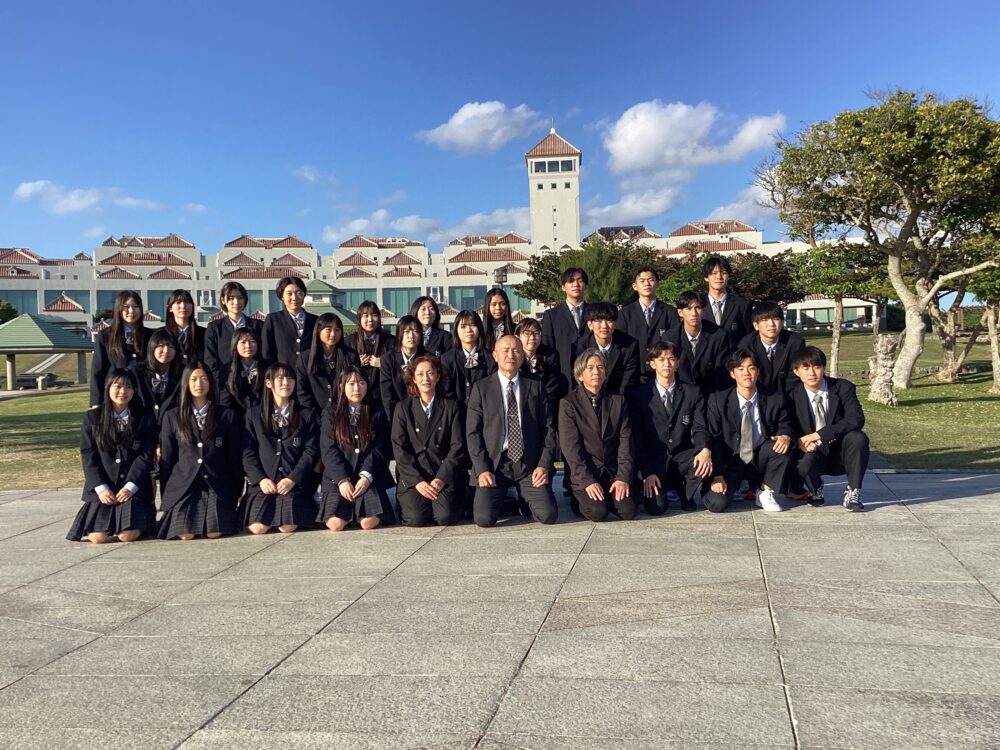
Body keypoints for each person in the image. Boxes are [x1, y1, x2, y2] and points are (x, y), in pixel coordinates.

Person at [466, 335, 558, 527]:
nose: (511, 355)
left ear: (523, 356)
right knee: (484, 519)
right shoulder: (481, 388)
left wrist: (543, 465)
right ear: (495, 355)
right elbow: (473, 434)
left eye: (516, 351)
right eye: (505, 351)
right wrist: (482, 469)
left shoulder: (535, 385)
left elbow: (549, 429)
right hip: (495, 464)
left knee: (548, 515)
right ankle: (508, 501)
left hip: (528, 463)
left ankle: (525, 500)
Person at [68, 368, 157, 543]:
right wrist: (101, 488)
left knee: (126, 536)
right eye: (118, 386)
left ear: (135, 391)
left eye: (128, 387)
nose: (123, 391)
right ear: (108, 388)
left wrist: (130, 487)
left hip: (132, 487)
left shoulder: (144, 417)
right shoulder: (93, 417)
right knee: (97, 538)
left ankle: (140, 523)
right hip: (105, 487)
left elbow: (145, 455)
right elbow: (88, 454)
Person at [157, 362, 243, 539]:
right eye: (194, 379)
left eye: (204, 379)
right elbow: (167, 459)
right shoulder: (172, 416)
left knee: (214, 532)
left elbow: (234, 458)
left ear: (211, 382)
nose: (199, 384)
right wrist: (168, 495)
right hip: (185, 486)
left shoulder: (227, 415)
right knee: (185, 535)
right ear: (186, 383)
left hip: (217, 486)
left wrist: (236, 490)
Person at [628, 341, 713, 515]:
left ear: (677, 363)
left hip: (682, 458)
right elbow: (638, 440)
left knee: (702, 458)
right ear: (652, 364)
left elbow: (699, 427)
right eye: (661, 359)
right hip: (654, 461)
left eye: (671, 359)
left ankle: (685, 494)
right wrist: (647, 472)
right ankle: (660, 490)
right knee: (656, 508)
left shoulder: (692, 392)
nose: (666, 363)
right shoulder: (639, 396)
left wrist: (704, 449)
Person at [703, 349, 794, 513]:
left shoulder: (774, 398)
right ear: (732, 373)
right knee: (717, 504)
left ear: (758, 371)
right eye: (740, 368)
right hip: (729, 462)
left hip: (758, 458)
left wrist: (785, 435)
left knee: (781, 446)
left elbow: (785, 424)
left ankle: (765, 491)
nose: (746, 373)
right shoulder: (718, 400)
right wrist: (717, 475)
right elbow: (713, 438)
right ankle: (730, 489)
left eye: (751, 368)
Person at [788, 346, 869, 511]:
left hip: (840, 449)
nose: (812, 373)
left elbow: (856, 419)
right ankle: (814, 489)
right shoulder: (790, 395)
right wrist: (800, 442)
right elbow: (786, 425)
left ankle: (853, 491)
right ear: (796, 371)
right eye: (806, 368)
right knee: (803, 462)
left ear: (823, 368)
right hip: (811, 452)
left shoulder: (843, 387)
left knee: (858, 437)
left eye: (817, 367)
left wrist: (819, 435)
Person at [241, 363, 319, 534]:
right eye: (280, 378)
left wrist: (293, 479)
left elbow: (311, 451)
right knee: (258, 528)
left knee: (287, 527)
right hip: (264, 483)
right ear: (268, 383)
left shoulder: (306, 414)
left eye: (290, 378)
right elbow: (248, 451)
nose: (286, 383)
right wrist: (260, 479)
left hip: (293, 483)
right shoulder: (254, 414)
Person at [558, 349, 635, 522]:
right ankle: (577, 499)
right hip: (585, 474)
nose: (596, 372)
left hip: (612, 473)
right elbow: (571, 449)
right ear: (580, 375)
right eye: (590, 368)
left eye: (600, 367)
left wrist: (622, 477)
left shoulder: (618, 400)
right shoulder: (568, 403)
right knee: (598, 513)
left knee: (628, 511)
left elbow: (625, 441)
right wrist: (587, 481)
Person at [391, 354, 465, 527]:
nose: (426, 378)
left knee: (445, 517)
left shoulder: (451, 407)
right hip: (415, 475)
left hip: (442, 472)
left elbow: (458, 446)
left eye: (431, 373)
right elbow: (400, 449)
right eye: (420, 374)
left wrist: (441, 478)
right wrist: (418, 481)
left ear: (438, 376)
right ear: (413, 379)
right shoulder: (403, 408)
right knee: (416, 519)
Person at [318, 366, 396, 531]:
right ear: (341, 387)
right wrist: (342, 480)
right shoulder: (331, 413)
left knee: (368, 523)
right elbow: (328, 449)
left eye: (361, 383)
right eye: (351, 383)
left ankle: (357, 512)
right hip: (338, 478)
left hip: (368, 476)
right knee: (335, 524)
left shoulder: (377, 411)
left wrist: (366, 476)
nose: (356, 388)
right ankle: (350, 512)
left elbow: (380, 448)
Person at [617, 265, 679, 381]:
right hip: (634, 374)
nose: (647, 284)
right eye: (642, 281)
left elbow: (674, 344)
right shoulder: (624, 314)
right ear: (635, 286)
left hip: (662, 374)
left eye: (651, 280)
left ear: (657, 283)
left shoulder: (670, 312)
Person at [664, 291, 728, 397]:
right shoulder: (670, 337)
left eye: (698, 308)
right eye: (688, 308)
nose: (694, 313)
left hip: (711, 393)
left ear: (704, 311)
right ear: (680, 312)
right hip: (681, 393)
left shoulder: (718, 335)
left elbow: (721, 372)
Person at [736, 300, 806, 394]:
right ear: (756, 325)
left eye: (776, 319)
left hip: (788, 395)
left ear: (782, 322)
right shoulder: (747, 344)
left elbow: (794, 377)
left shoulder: (795, 342)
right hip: (759, 395)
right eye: (764, 320)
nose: (771, 324)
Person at [90, 290, 146, 407]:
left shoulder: (150, 336)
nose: (131, 311)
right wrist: (96, 402)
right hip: (116, 399)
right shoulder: (105, 336)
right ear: (118, 309)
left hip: (143, 399)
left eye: (135, 307)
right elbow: (98, 372)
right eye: (126, 307)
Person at [541, 267, 590, 398]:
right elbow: (548, 348)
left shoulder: (594, 313)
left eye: (580, 280)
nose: (576, 284)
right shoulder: (551, 315)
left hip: (589, 375)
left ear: (585, 286)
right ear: (563, 287)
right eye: (571, 281)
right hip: (562, 379)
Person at [297, 312, 360, 412]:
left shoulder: (351, 356)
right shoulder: (305, 358)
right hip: (314, 414)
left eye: (337, 330)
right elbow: (303, 391)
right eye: (328, 330)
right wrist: (314, 416)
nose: (333, 334)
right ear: (318, 331)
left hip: (343, 412)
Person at [576, 301, 640, 395]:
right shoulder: (581, 346)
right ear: (590, 325)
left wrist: (616, 401)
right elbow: (579, 379)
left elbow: (629, 382)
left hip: (620, 397)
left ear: (615, 323)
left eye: (609, 320)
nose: (604, 326)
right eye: (599, 321)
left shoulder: (629, 345)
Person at [205, 281, 261, 384]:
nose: (236, 302)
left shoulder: (258, 326)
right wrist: (221, 383)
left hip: (255, 383)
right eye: (231, 298)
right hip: (225, 383)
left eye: (240, 298)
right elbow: (210, 360)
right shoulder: (215, 328)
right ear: (223, 300)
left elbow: (263, 354)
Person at [350, 300, 395, 415]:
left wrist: (383, 363)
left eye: (374, 315)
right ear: (359, 318)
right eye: (365, 316)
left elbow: (398, 366)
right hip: (357, 399)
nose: (370, 319)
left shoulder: (391, 342)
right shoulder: (349, 342)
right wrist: (356, 364)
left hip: (383, 400)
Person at [261, 276, 316, 367]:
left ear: (304, 294)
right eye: (289, 294)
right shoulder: (273, 319)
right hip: (283, 373)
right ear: (282, 296)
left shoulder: (315, 320)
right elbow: (267, 351)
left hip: (309, 372)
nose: (294, 298)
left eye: (299, 293)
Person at [441, 310, 493, 403]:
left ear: (479, 328)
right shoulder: (447, 359)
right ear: (456, 330)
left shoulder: (490, 358)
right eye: (463, 326)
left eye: (473, 325)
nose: (468, 330)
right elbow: (446, 392)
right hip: (455, 410)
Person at [379, 315, 424, 421]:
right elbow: (387, 395)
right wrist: (395, 420)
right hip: (396, 415)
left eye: (415, 331)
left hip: (423, 414)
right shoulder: (388, 359)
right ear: (399, 334)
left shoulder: (427, 358)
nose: (411, 336)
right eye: (406, 331)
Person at [702, 255, 753, 346]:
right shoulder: (698, 305)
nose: (719, 277)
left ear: (729, 276)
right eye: (714, 273)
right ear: (706, 277)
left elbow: (749, 337)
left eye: (723, 272)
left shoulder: (742, 305)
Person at [136, 328, 182, 423]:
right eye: (161, 346)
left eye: (171, 347)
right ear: (152, 347)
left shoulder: (182, 374)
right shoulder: (137, 372)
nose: (166, 350)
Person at [220, 327, 266, 416]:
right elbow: (225, 401)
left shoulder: (267, 367)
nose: (248, 346)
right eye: (243, 342)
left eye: (252, 341)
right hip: (235, 417)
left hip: (261, 416)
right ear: (235, 345)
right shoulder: (227, 370)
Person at [516, 317, 562, 405]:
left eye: (536, 333)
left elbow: (552, 387)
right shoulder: (513, 357)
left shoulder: (550, 356)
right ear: (517, 336)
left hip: (544, 404)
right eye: (527, 334)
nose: (532, 338)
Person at [163, 289, 205, 367]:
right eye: (178, 302)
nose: (183, 306)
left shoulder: (204, 333)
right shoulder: (161, 333)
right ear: (170, 308)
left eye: (187, 302)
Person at [482, 287, 516, 353]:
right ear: (487, 306)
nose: (498, 308)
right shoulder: (481, 331)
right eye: (494, 304)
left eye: (502, 304)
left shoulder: (515, 329)